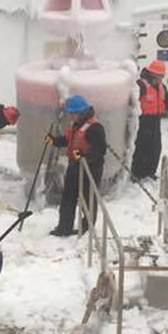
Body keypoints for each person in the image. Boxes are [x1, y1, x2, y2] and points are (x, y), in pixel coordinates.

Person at [49, 96, 107, 237]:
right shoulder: (77, 125)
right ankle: (64, 228)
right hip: (74, 167)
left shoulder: (95, 128)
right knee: (68, 198)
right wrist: (54, 141)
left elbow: (99, 151)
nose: (71, 116)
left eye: (73, 114)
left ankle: (87, 229)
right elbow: (69, 141)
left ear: (81, 113)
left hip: (90, 170)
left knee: (88, 200)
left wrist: (83, 158)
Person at [130, 60, 168, 180]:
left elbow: (164, 101)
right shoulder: (141, 85)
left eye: (162, 76)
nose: (160, 79)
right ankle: (137, 173)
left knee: (155, 147)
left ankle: (150, 171)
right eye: (159, 76)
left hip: (155, 120)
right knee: (141, 147)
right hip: (143, 120)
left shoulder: (162, 87)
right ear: (152, 74)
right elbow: (131, 103)